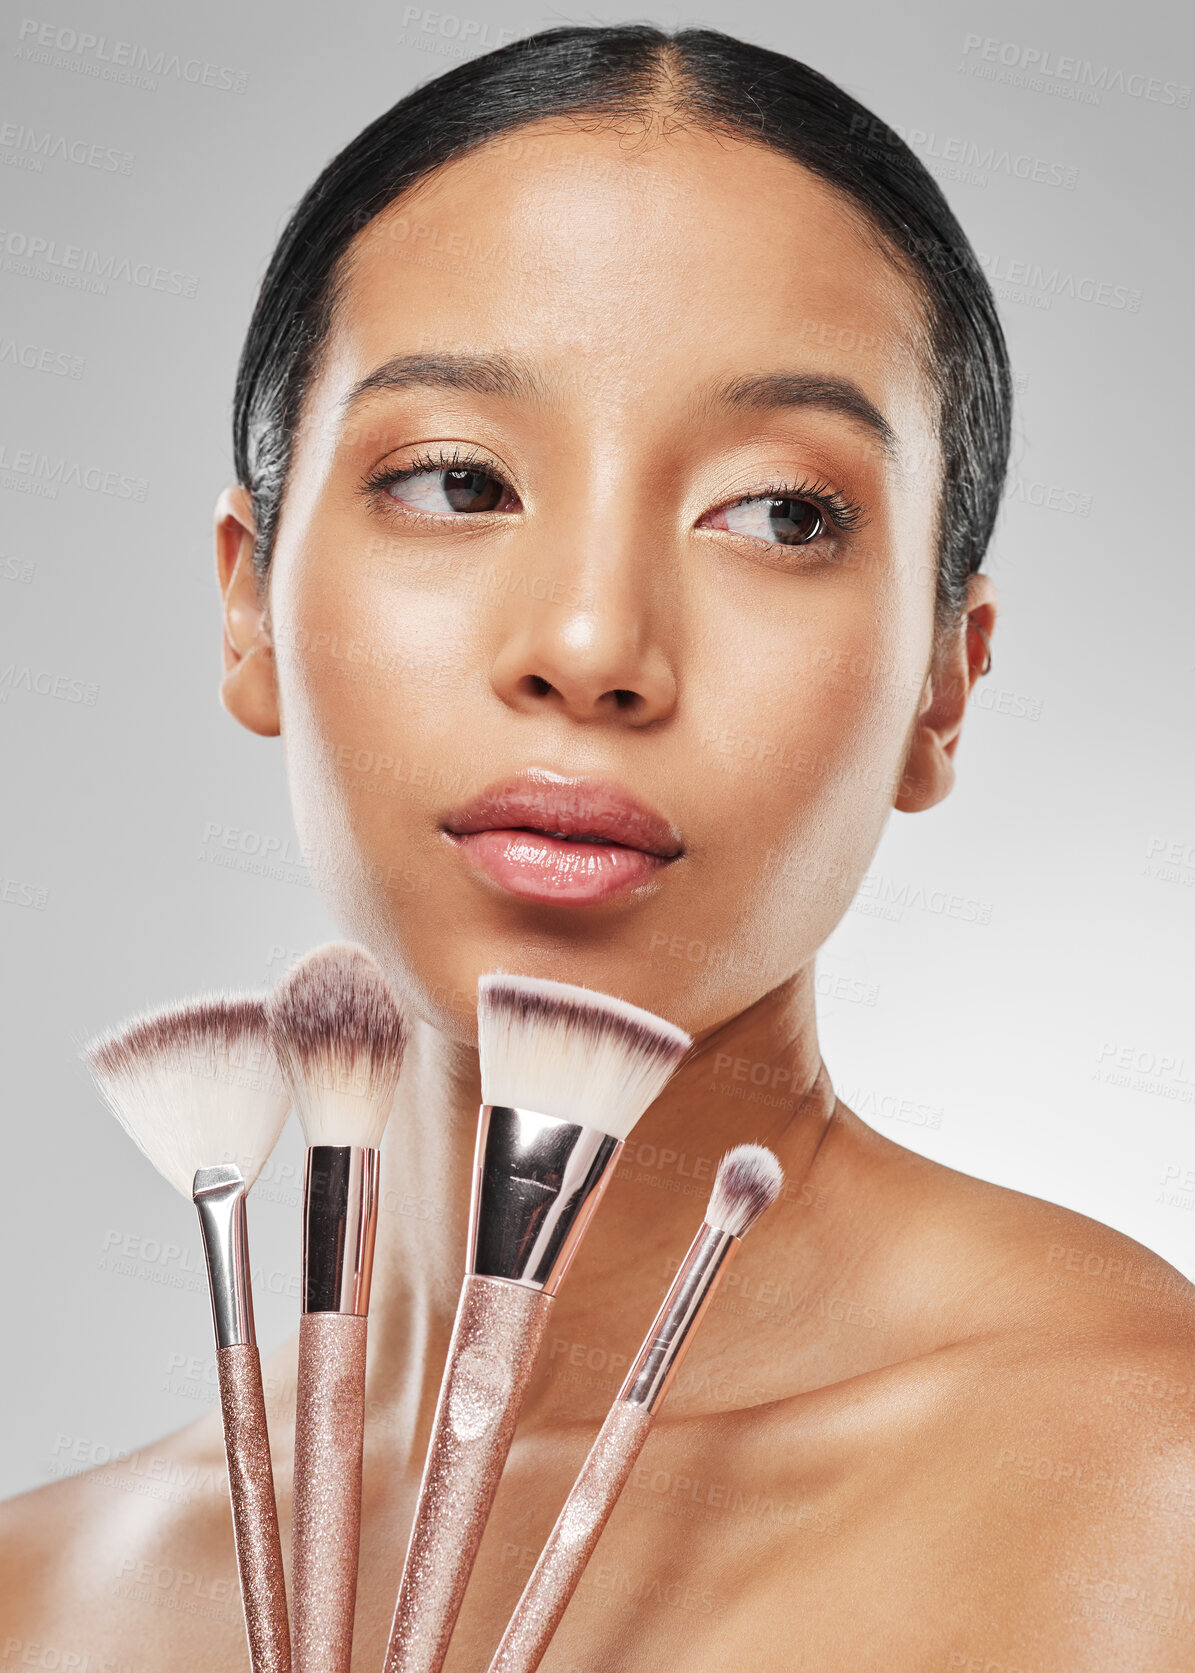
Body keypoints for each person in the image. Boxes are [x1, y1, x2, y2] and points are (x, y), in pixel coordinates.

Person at [5, 25, 1193, 1671]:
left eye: (780, 513)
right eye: (454, 479)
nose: (590, 639)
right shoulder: (43, 1597)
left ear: (944, 681)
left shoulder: (1151, 1487)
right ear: (248, 600)